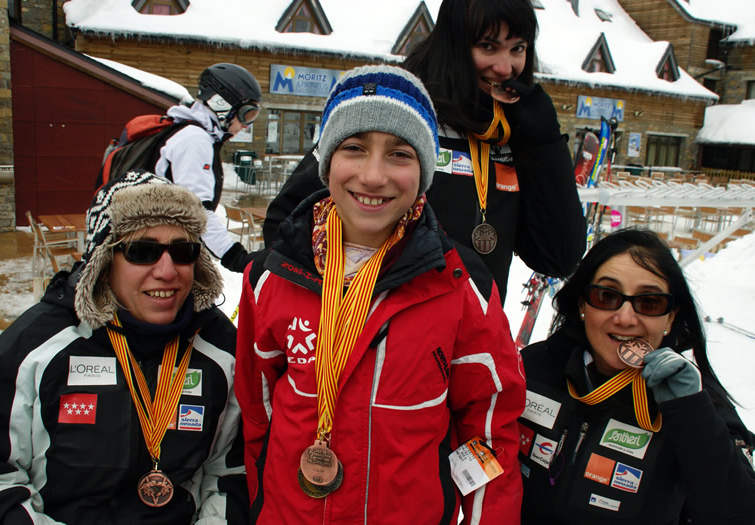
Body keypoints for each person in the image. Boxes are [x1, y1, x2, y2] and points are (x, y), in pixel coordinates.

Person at [235, 65, 526, 523]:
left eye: (399, 154)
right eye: (354, 148)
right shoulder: (271, 275)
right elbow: (257, 414)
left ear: (424, 171)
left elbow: (489, 428)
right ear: (327, 160)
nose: (373, 176)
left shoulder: (461, 286)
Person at [262, 0, 587, 303]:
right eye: (487, 46)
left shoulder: (514, 133)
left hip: (471, 345)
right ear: (453, 45)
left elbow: (557, 257)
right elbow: (284, 224)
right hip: (374, 336)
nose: (505, 68)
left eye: (518, 48)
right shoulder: (398, 111)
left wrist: (545, 144)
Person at [0, 171, 247, 524]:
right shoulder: (36, 346)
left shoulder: (222, 351)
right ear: (104, 262)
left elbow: (231, 476)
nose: (167, 271)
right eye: (143, 251)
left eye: (183, 251)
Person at [517, 228, 755, 524]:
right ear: (582, 304)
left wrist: (693, 415)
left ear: (670, 316)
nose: (625, 318)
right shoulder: (532, 367)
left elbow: (739, 514)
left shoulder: (697, 401)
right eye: (606, 296)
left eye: (649, 302)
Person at [156, 62, 263, 272]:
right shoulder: (195, 140)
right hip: (161, 254)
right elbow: (196, 210)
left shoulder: (187, 132)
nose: (246, 126)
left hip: (165, 247)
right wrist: (236, 257)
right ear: (221, 104)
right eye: (246, 115)